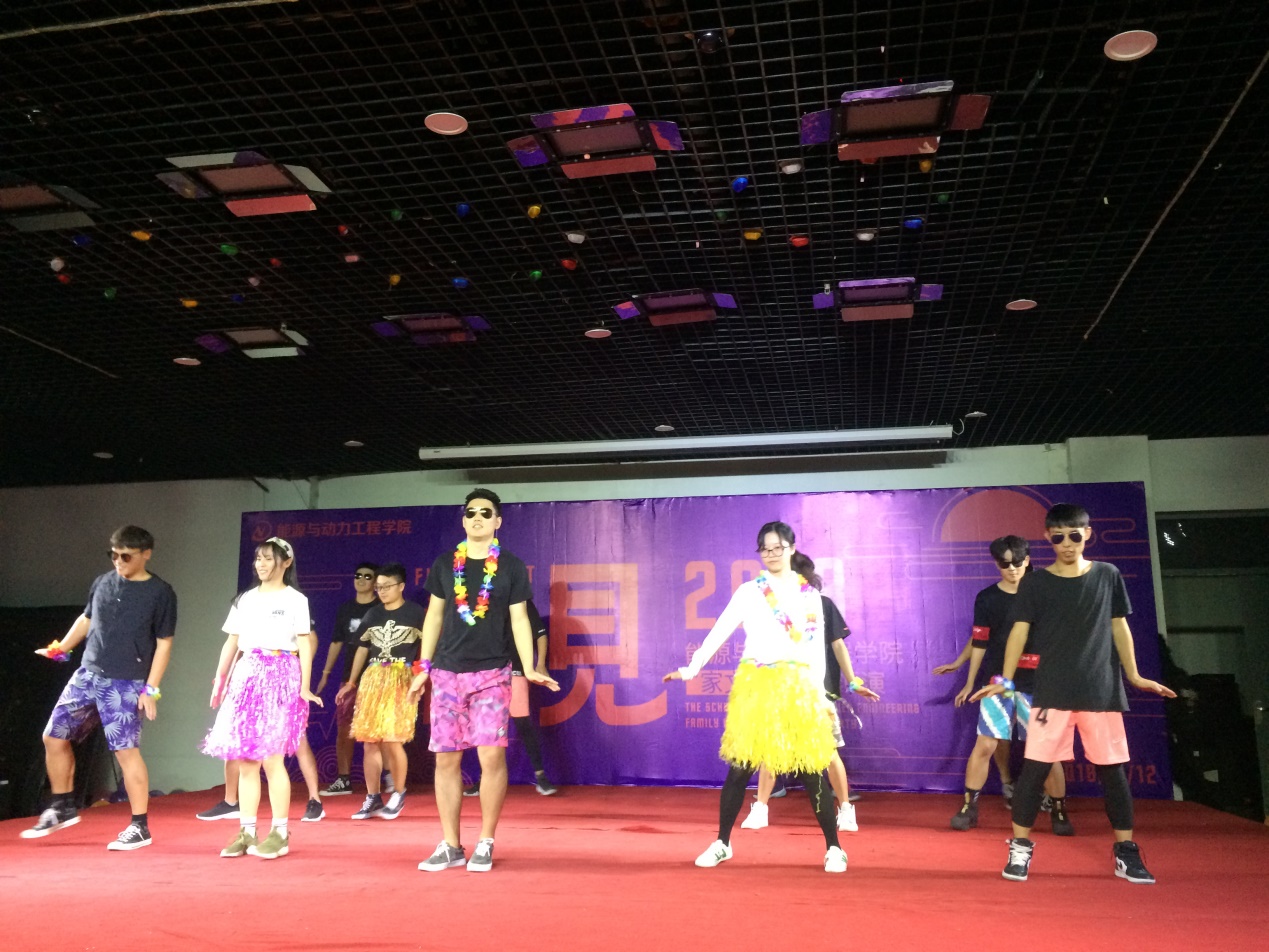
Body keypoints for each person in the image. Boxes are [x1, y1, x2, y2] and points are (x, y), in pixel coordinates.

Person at [971, 505, 1175, 884]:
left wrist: (1133, 674)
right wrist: (1007, 679)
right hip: (1050, 692)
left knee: (1112, 774)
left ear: (1088, 534)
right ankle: (1020, 850)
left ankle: (1126, 853)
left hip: (1101, 691)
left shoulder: (1107, 575)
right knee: (1034, 772)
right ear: (1047, 538)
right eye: (1059, 536)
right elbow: (1018, 632)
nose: (1067, 543)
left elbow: (1119, 626)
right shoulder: (1036, 583)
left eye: (1075, 535)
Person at [664, 521, 847, 873]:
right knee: (739, 769)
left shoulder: (810, 595)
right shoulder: (750, 591)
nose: (771, 554)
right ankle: (722, 843)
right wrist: (692, 668)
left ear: (792, 548)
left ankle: (834, 848)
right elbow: (719, 630)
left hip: (798, 688)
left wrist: (822, 697)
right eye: (765, 548)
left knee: (812, 770)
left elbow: (815, 652)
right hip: (756, 686)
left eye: (778, 547)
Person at [408, 489, 559, 873]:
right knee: (447, 759)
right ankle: (450, 845)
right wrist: (423, 667)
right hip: (446, 673)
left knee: (490, 755)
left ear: (498, 521)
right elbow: (433, 617)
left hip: (493, 672)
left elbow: (520, 619)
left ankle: (486, 840)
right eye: (471, 512)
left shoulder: (510, 566)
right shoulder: (445, 563)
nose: (477, 517)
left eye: (485, 512)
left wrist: (530, 666)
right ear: (463, 520)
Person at [21, 525, 177, 850]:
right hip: (88, 674)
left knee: (125, 751)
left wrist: (151, 689)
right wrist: (60, 648)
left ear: (145, 554)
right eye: (113, 554)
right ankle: (62, 806)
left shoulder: (160, 592)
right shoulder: (103, 582)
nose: (118, 561)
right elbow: (87, 619)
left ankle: (139, 827)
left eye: (126, 556)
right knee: (53, 736)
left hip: (126, 681)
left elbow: (164, 644)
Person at [933, 536, 1069, 834]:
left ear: (1028, 559)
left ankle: (1059, 809)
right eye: (1005, 564)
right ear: (996, 564)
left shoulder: (1046, 592)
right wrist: (969, 680)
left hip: (1039, 683)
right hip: (997, 683)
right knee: (986, 743)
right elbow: (980, 640)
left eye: (1018, 562)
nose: (1012, 569)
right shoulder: (987, 598)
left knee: (1046, 749)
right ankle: (969, 807)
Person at [203, 537, 322, 859]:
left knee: (271, 757)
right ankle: (247, 831)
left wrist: (305, 687)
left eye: (268, 558)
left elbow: (305, 644)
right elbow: (232, 641)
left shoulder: (295, 599)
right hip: (248, 673)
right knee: (246, 759)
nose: (261, 564)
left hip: (281, 673)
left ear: (286, 563)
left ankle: (280, 833)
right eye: (258, 558)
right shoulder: (246, 599)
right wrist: (220, 679)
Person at [741, 592, 879, 833]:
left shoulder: (822, 604)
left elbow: (838, 644)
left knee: (829, 753)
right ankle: (760, 809)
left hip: (817, 694)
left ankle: (846, 810)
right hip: (781, 692)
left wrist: (852, 682)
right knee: (771, 752)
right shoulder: (775, 609)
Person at [337, 562, 424, 820]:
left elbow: (429, 648)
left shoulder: (416, 613)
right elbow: (362, 648)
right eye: (378, 587)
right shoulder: (373, 614)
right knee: (369, 741)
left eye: (386, 586)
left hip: (401, 678)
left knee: (392, 738)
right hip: (373, 678)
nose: (382, 591)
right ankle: (372, 796)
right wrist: (351, 682)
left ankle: (398, 792)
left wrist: (421, 677)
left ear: (401, 586)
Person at [462, 598, 560, 798]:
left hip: (515, 671)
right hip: (488, 673)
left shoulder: (522, 602)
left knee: (523, 724)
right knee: (487, 731)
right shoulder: (484, 601)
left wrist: (540, 664)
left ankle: (541, 777)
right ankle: (483, 780)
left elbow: (540, 634)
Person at [317, 561, 380, 797]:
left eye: (367, 576)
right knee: (344, 728)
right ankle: (343, 779)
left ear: (376, 582)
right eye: (358, 575)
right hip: (349, 678)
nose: (361, 579)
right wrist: (325, 674)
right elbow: (336, 642)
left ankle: (386, 777)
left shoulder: (380, 608)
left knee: (378, 730)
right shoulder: (346, 609)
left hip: (377, 676)